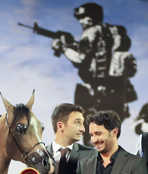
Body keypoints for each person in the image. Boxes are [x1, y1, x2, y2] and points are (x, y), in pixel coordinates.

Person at [51, 2, 137, 134]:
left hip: (95, 90)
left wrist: (62, 48)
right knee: (107, 132)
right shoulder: (109, 31)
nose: (81, 21)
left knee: (89, 133)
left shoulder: (90, 32)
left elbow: (80, 59)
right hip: (114, 89)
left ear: (92, 17)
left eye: (83, 17)